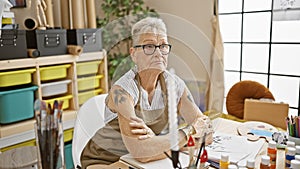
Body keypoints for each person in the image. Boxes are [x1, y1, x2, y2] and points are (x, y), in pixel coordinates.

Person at [80, 17, 214, 168]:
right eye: (149, 46)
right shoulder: (123, 91)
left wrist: (159, 144)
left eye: (163, 46)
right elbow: (141, 152)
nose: (158, 53)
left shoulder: (175, 85)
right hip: (104, 162)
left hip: (140, 162)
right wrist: (188, 132)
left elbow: (206, 130)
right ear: (134, 54)